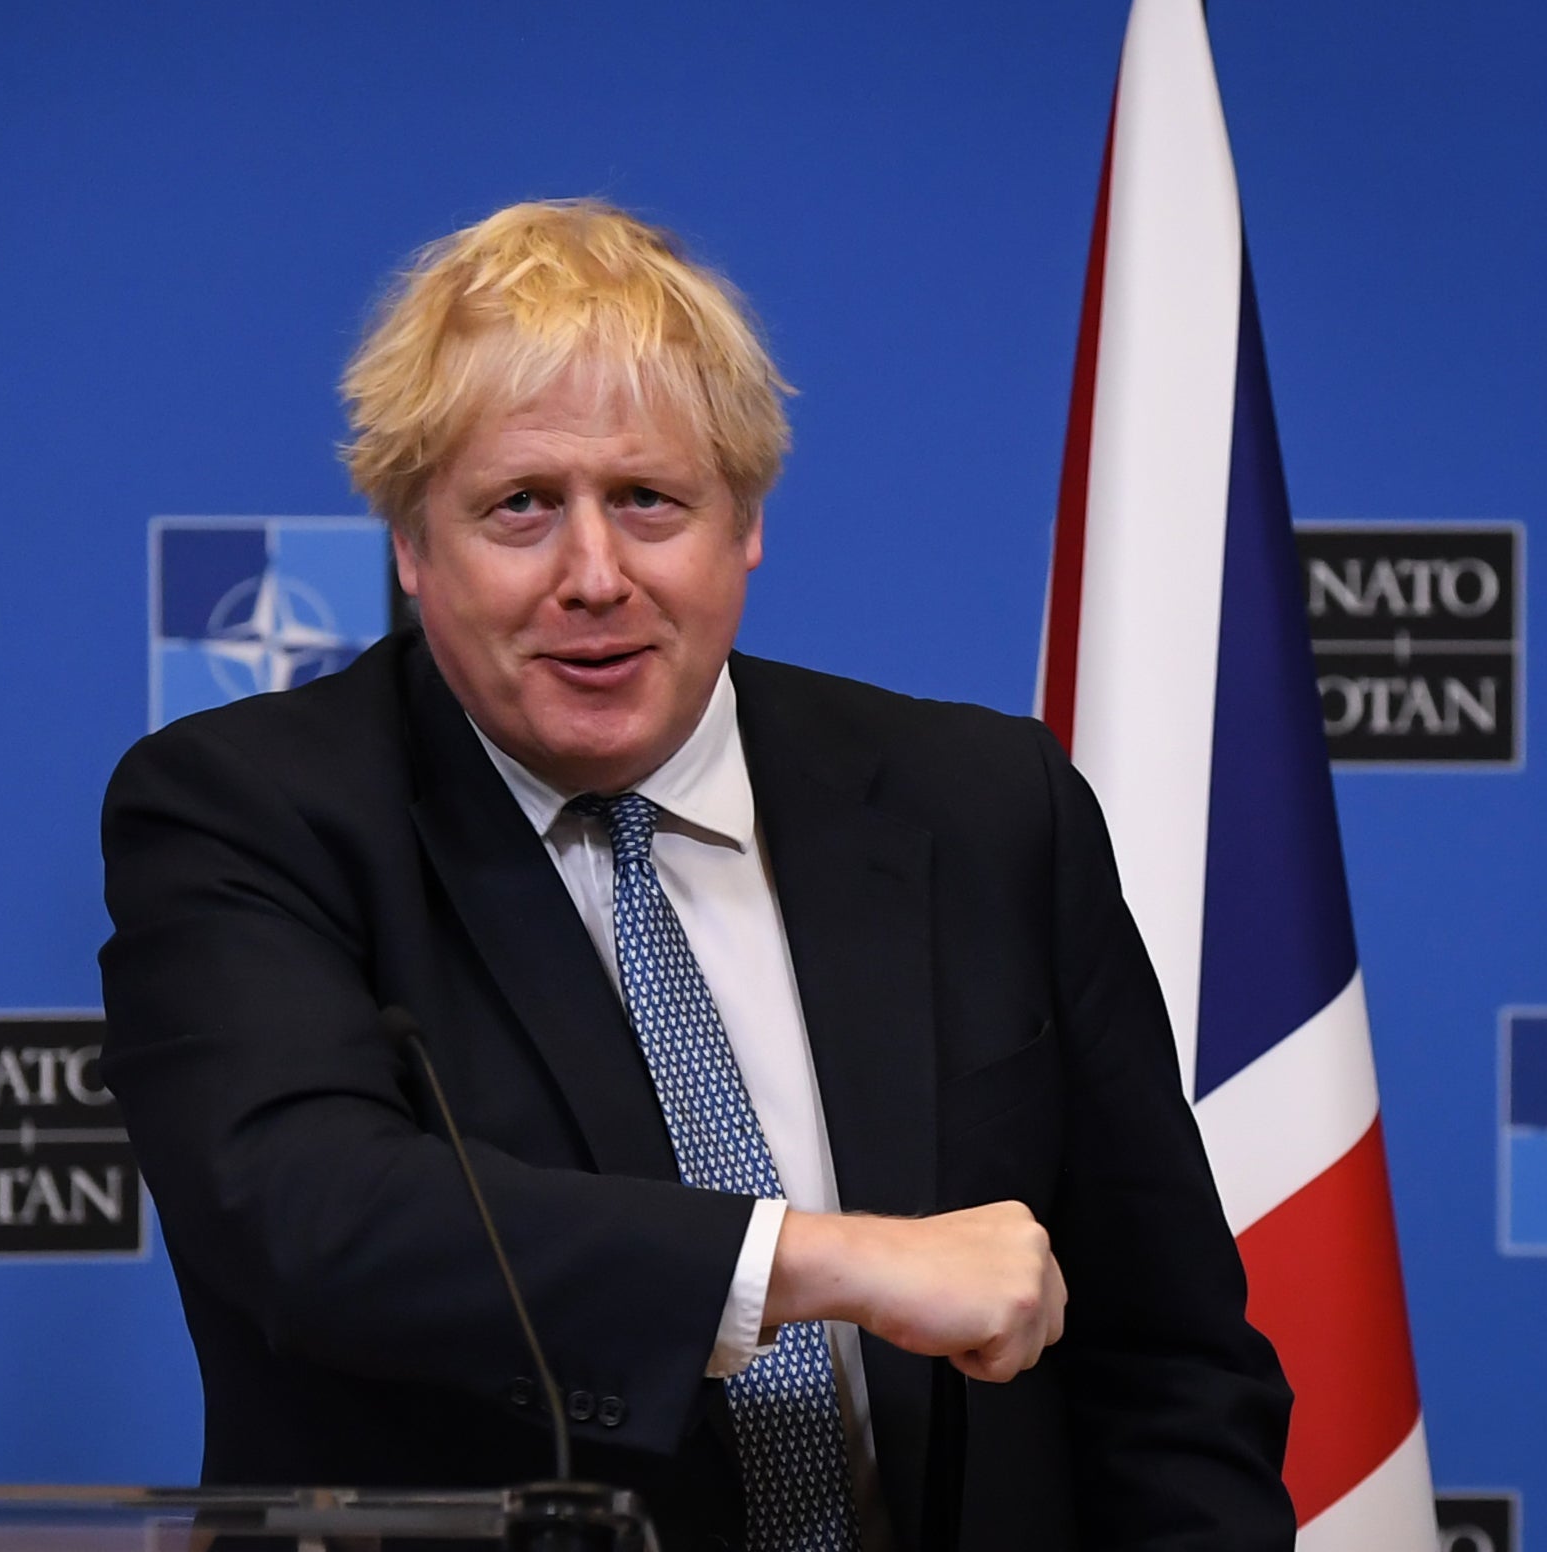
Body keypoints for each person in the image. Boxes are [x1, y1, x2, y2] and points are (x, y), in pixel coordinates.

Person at [98, 201, 1293, 1552]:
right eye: (520, 507)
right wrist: (819, 1261)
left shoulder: (982, 807)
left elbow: (1171, 1367)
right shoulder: (251, 811)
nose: (593, 576)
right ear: (413, 550)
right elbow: (308, 1217)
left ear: (746, 526)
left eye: (649, 501)